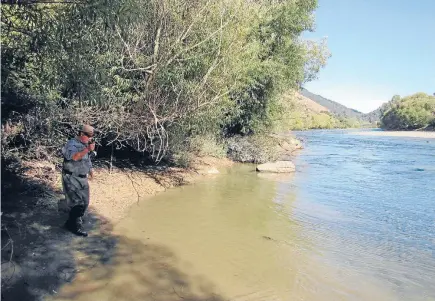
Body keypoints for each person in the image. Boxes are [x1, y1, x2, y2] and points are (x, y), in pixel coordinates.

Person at [61, 124, 96, 237]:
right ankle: (74, 226)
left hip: (82, 177)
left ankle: (71, 222)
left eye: (92, 136)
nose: (90, 139)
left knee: (85, 203)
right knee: (77, 203)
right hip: (71, 177)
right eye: (89, 136)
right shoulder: (71, 144)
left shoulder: (85, 144)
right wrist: (87, 149)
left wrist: (90, 170)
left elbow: (87, 159)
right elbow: (74, 157)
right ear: (81, 134)